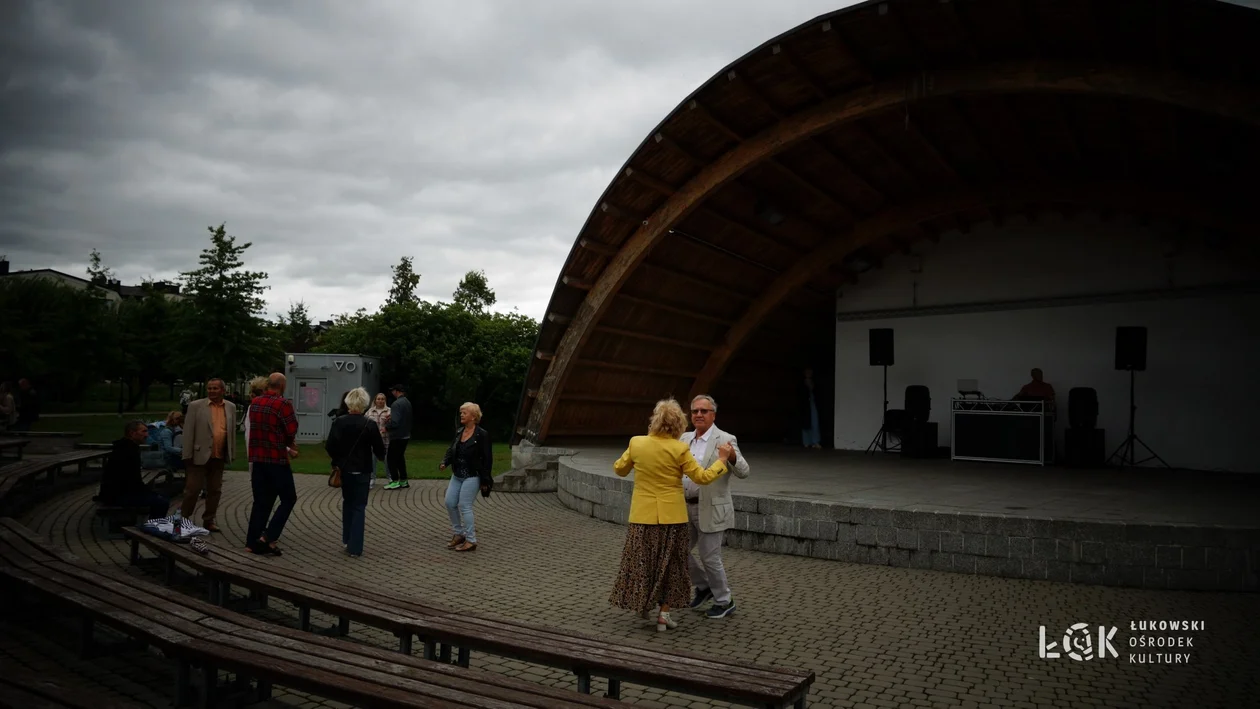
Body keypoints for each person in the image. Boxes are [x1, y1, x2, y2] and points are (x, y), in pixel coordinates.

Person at [609, 398, 734, 632]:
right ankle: (664, 615)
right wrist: (722, 461)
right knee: (671, 566)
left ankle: (642, 604)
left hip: (642, 516)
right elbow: (702, 478)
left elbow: (620, 469)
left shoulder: (637, 443)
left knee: (642, 563)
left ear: (654, 420)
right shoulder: (679, 448)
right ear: (679, 424)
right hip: (672, 517)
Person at [680, 395, 751, 619]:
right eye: (695, 411)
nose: (698, 415)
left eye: (704, 411)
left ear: (713, 415)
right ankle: (703, 587)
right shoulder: (684, 438)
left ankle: (724, 600)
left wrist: (731, 457)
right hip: (684, 507)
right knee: (676, 551)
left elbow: (744, 471)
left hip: (711, 508)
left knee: (709, 557)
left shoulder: (726, 438)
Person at [325, 387, 385, 558]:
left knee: (348, 503)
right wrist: (380, 456)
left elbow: (330, 446)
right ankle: (355, 547)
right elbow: (380, 450)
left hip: (344, 470)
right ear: (365, 404)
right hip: (363, 470)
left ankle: (347, 538)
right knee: (359, 506)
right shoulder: (370, 424)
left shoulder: (339, 422)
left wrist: (337, 460)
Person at [246, 372, 300, 555]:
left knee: (261, 501)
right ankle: (269, 536)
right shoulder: (283, 404)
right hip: (276, 459)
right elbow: (291, 428)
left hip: (258, 459)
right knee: (289, 498)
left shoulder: (255, 403)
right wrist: (289, 443)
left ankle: (251, 542)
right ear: (282, 386)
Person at [179, 378, 236, 533]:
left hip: (218, 455)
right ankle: (183, 519)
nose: (211, 391)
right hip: (198, 456)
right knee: (192, 490)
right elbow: (188, 432)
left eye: (215, 388)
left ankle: (209, 520)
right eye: (209, 388)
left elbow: (230, 432)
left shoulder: (230, 407)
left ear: (223, 391)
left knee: (215, 490)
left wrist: (231, 452)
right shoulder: (196, 406)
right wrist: (187, 454)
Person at [438, 402, 493, 552]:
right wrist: (445, 462)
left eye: (465, 413)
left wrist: (485, 480)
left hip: (472, 475)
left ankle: (471, 540)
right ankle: (458, 534)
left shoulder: (482, 435)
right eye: (461, 412)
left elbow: (487, 459)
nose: (462, 415)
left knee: (464, 506)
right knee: (450, 502)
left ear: (473, 416)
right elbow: (452, 449)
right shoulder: (459, 431)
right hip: (457, 475)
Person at [98, 420, 170, 519]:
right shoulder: (127, 451)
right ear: (132, 433)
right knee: (161, 502)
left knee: (160, 497)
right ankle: (153, 528)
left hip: (118, 492)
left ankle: (153, 526)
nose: (147, 435)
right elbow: (130, 481)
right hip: (116, 495)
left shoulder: (127, 447)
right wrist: (147, 492)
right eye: (143, 431)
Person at [383, 384, 412, 490]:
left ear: (397, 391)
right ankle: (404, 480)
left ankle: (394, 481)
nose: (392, 393)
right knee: (400, 458)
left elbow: (395, 422)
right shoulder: (407, 402)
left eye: (393, 391)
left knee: (391, 458)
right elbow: (404, 417)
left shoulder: (396, 404)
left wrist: (386, 426)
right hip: (406, 434)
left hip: (397, 436)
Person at [364, 392, 392, 489]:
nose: (380, 401)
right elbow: (364, 425)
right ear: (375, 400)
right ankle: (372, 478)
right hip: (373, 441)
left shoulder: (389, 411)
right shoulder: (369, 412)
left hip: (386, 440)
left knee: (387, 460)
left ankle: (390, 478)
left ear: (385, 400)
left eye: (382, 399)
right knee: (372, 460)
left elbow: (394, 424)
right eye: (378, 399)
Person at [799, 368, 822, 449]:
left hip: (812, 403)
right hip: (805, 405)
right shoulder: (801, 383)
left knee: (814, 422)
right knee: (806, 423)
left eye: (810, 372)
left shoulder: (815, 382)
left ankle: (815, 441)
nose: (809, 373)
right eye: (807, 372)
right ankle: (806, 442)